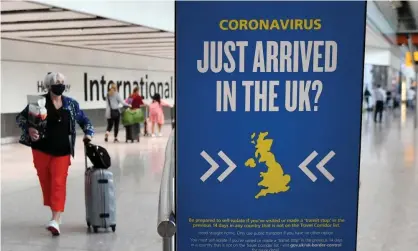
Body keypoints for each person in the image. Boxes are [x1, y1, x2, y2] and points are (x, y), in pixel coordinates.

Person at [16, 72, 94, 236]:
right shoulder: (38, 102)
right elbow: (20, 119)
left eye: (62, 82)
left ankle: (56, 219)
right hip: (41, 150)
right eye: (56, 82)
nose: (60, 85)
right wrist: (29, 129)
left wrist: (88, 133)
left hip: (62, 151)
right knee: (47, 183)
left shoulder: (71, 104)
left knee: (58, 182)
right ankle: (55, 214)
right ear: (49, 85)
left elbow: (85, 120)